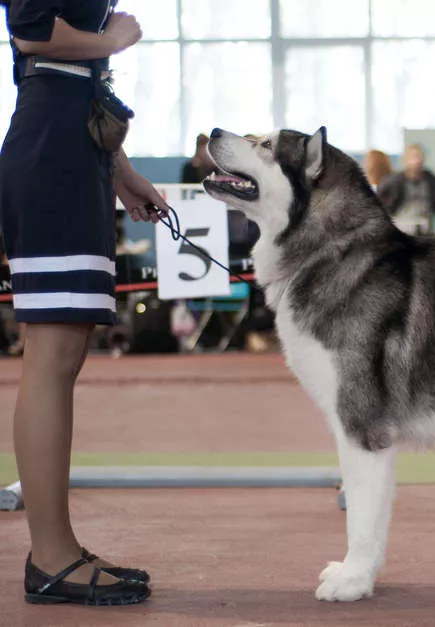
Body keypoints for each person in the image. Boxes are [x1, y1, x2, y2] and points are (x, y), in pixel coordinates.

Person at [0, 0, 169, 605]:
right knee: (50, 355)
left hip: (77, 154)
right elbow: (32, 33)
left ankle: (59, 550)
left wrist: (120, 170)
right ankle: (49, 558)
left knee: (64, 355)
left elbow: (70, 76)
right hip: (51, 158)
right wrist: (112, 40)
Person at [377, 144, 435, 234]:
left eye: (419, 157)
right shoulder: (392, 182)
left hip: (426, 230)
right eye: (413, 157)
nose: (417, 161)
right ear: (404, 160)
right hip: (401, 230)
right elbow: (383, 204)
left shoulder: (433, 181)